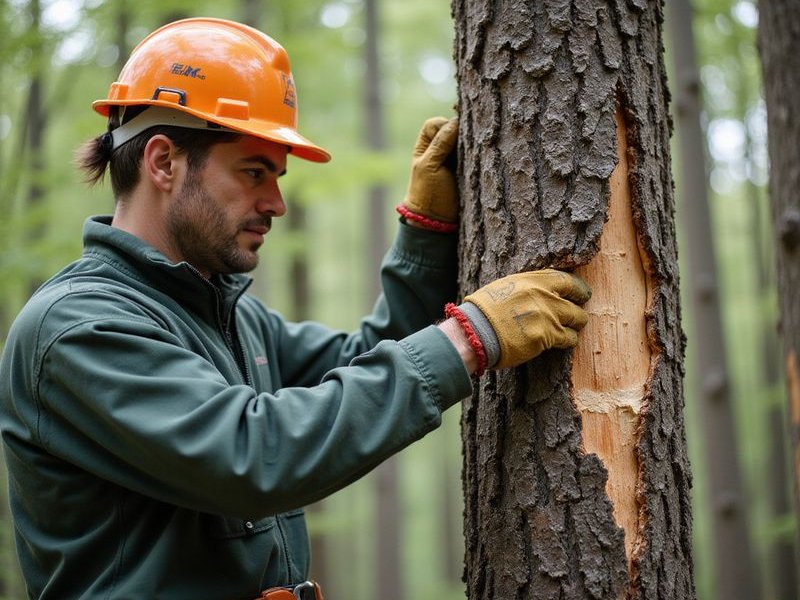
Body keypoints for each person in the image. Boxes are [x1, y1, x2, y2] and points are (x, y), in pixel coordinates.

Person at [0, 17, 591, 600]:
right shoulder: (78, 326)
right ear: (163, 162)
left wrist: (428, 236)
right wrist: (470, 338)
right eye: (254, 172)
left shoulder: (224, 315)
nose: (276, 202)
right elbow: (252, 456)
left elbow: (369, 360)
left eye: (276, 177)